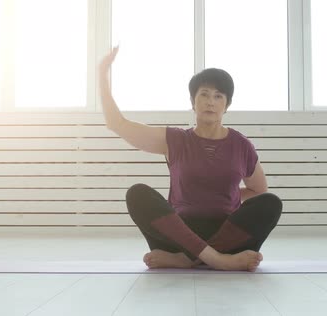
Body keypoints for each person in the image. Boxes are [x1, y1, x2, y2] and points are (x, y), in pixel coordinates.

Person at [98, 46, 283, 272]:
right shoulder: (175, 140)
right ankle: (218, 260)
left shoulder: (241, 145)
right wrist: (102, 75)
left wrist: (226, 196)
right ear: (193, 101)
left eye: (218, 96)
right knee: (137, 194)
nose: (210, 102)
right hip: (178, 233)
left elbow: (259, 192)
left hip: (227, 232)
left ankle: (186, 259)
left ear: (227, 105)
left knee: (271, 203)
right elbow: (117, 124)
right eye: (204, 94)